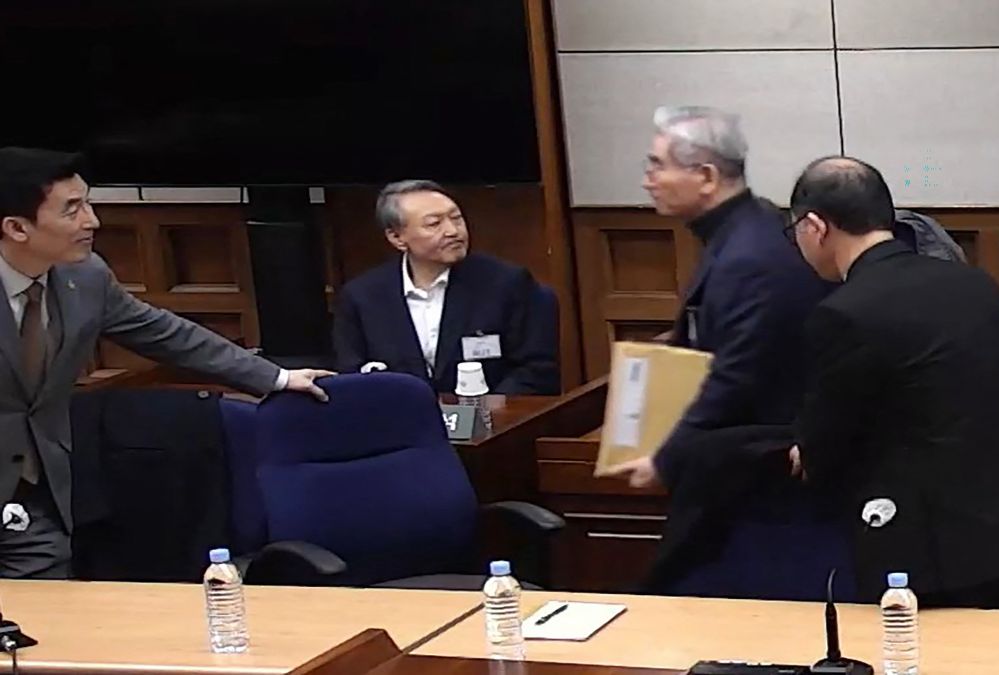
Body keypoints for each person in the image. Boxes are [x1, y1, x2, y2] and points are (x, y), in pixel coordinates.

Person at [0, 147, 332, 579]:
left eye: (88, 202)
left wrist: (276, 377)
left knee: (43, 621)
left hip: (35, 493)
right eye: (72, 210)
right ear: (16, 227)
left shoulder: (85, 276)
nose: (92, 221)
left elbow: (163, 332)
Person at [788, 156, 999, 606]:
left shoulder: (844, 313)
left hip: (925, 552)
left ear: (815, 227)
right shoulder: (974, 284)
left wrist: (805, 447)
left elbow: (826, 446)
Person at [601, 106, 830, 490]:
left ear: (706, 177)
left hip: (758, 473)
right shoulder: (749, 224)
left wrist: (667, 457)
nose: (647, 181)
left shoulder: (748, 256)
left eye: (657, 166)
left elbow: (735, 373)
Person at [333, 180, 559, 394]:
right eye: (434, 224)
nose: (453, 231)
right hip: (398, 424)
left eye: (457, 218)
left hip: (492, 423)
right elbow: (352, 375)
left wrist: (483, 415)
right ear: (396, 237)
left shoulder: (507, 283)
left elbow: (536, 370)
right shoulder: (363, 296)